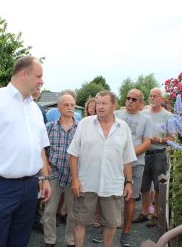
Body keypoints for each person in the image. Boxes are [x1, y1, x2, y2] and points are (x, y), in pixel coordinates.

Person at [0, 56, 51, 247]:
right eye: (38, 76)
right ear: (23, 74)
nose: (42, 81)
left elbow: (39, 148)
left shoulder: (35, 109)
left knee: (20, 241)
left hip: (30, 187)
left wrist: (44, 178)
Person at [68, 90, 137, 247]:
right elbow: (73, 154)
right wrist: (75, 180)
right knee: (80, 222)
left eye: (104, 103)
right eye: (98, 103)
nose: (100, 107)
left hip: (112, 184)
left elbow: (127, 159)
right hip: (86, 184)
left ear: (114, 105)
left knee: (111, 224)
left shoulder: (123, 127)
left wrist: (129, 182)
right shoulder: (85, 124)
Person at [114, 89, 152, 247]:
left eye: (134, 99)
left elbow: (147, 143)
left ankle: (126, 232)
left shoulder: (146, 119)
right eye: (128, 98)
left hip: (136, 164)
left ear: (141, 103)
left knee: (130, 198)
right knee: (111, 196)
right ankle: (108, 228)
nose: (129, 101)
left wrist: (128, 154)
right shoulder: (116, 114)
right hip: (114, 163)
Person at [132, 87, 173, 227]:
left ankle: (156, 215)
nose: (152, 98)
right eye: (150, 95)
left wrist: (159, 140)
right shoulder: (143, 113)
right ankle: (144, 212)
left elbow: (173, 138)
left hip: (159, 154)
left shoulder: (168, 116)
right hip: (143, 154)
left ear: (161, 99)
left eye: (155, 96)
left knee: (157, 185)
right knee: (143, 185)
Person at [43, 92, 77, 247]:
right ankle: (50, 241)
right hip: (54, 174)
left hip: (74, 176)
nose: (69, 108)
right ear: (58, 107)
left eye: (72, 105)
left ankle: (71, 241)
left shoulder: (81, 128)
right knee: (49, 211)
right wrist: (46, 166)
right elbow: (41, 149)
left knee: (73, 212)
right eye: (66, 104)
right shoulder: (49, 127)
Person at [32, 91, 48, 234]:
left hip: (37, 159)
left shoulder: (39, 109)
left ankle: (35, 220)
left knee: (37, 193)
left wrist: (44, 175)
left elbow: (42, 139)